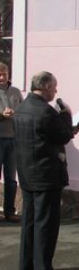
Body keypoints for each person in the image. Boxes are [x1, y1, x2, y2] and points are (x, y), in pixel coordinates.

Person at [14, 71, 79, 270]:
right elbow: (62, 134)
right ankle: (43, 269)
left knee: (30, 220)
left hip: (27, 173)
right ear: (44, 87)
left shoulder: (23, 108)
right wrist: (67, 114)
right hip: (45, 174)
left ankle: (27, 264)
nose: (56, 90)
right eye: (53, 86)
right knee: (46, 222)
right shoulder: (45, 112)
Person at [0, 62, 23, 223]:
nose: (2, 78)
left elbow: (23, 112)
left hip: (13, 139)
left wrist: (17, 114)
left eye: (5, 74)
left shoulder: (15, 92)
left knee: (11, 178)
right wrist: (2, 115)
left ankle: (9, 211)